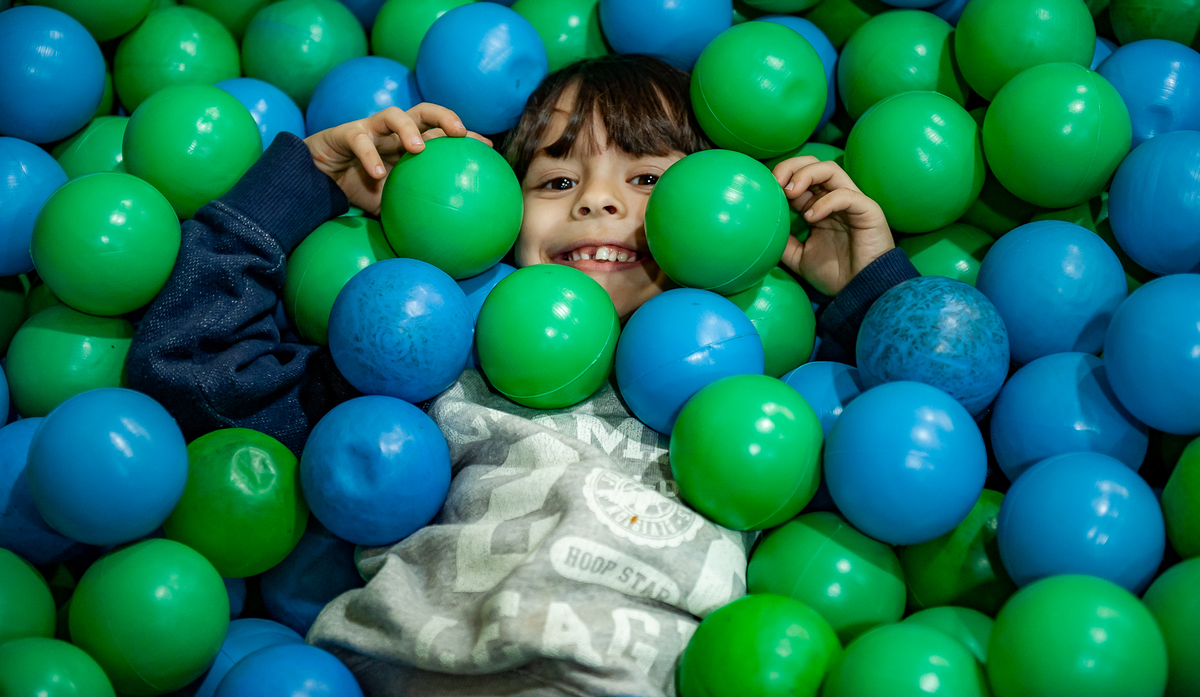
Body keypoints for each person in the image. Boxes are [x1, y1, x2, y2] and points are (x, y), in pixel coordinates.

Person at [127, 54, 918, 696]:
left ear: (725, 222)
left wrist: (861, 287)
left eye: (647, 181)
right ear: (498, 218)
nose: (599, 202)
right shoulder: (435, 366)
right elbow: (195, 376)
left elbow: (918, 462)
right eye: (557, 180)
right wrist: (307, 186)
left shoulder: (759, 394)